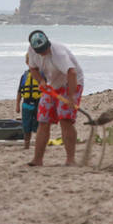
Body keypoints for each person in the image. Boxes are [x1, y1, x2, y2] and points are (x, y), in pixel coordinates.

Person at [25, 29, 83, 166]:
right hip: (52, 84)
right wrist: (41, 81)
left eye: (45, 48)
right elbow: (33, 68)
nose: (44, 52)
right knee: (43, 120)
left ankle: (70, 160)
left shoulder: (59, 54)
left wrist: (70, 97)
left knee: (65, 119)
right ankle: (37, 160)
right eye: (41, 50)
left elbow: (72, 73)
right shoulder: (32, 51)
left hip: (72, 82)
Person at [16, 56, 42, 150]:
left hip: (39, 104)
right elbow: (19, 91)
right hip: (26, 104)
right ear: (27, 62)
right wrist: (17, 105)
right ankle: (26, 145)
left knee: (40, 126)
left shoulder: (42, 75)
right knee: (26, 127)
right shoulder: (24, 76)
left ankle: (39, 145)